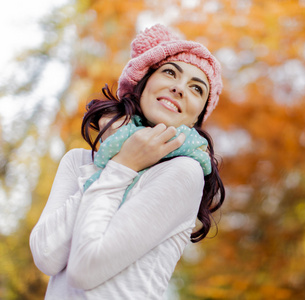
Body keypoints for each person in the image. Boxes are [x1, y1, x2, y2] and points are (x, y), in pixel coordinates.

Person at [30, 24, 225, 299]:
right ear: (143, 83)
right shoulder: (80, 162)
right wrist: (114, 159)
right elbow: (47, 256)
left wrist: (122, 166)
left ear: (196, 118)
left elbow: (85, 269)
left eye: (197, 89)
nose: (180, 88)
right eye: (170, 72)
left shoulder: (184, 171)